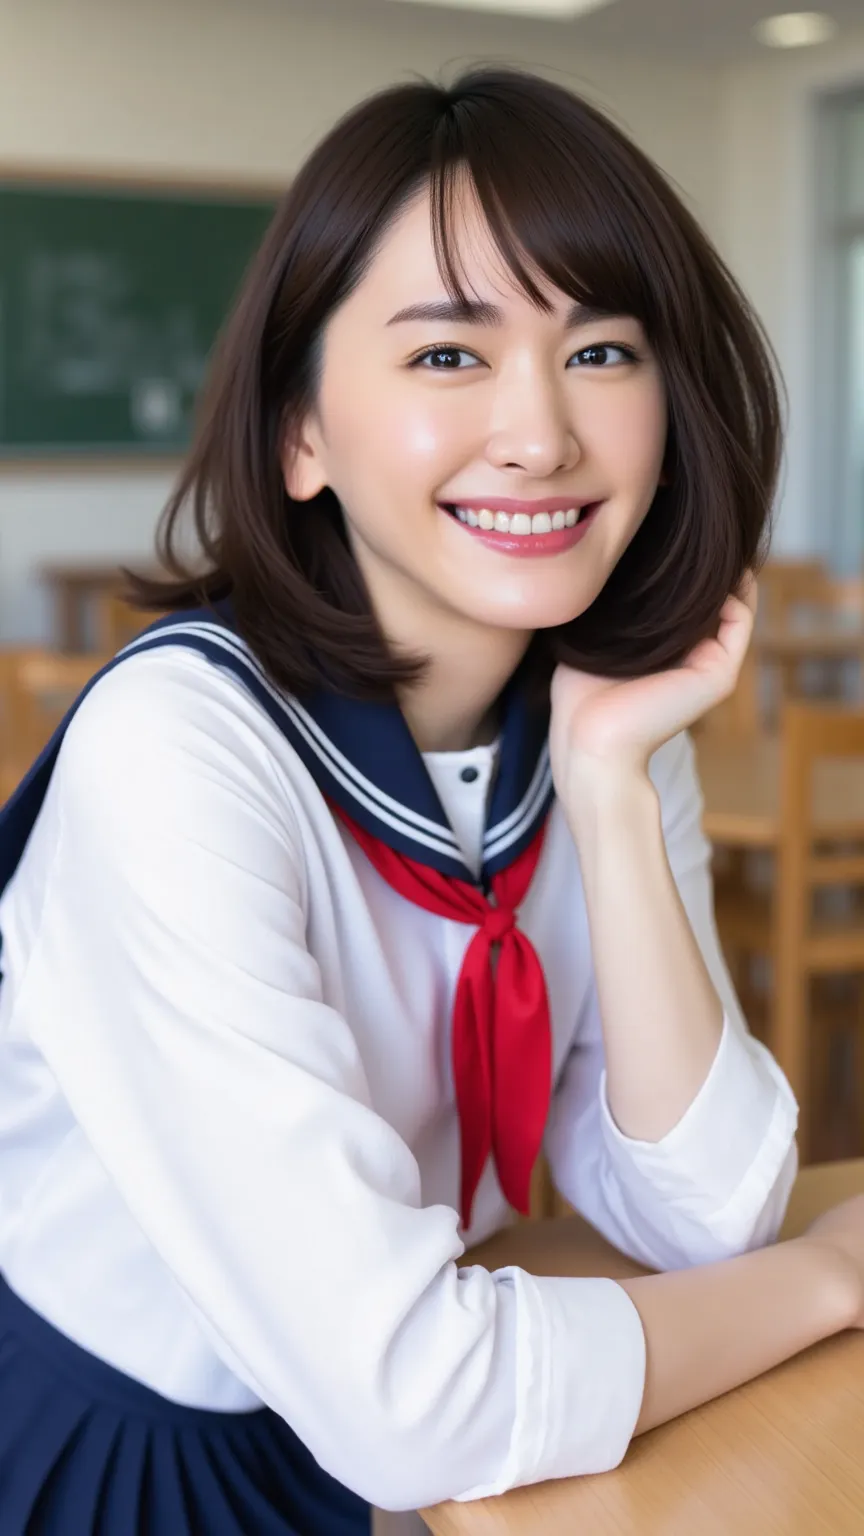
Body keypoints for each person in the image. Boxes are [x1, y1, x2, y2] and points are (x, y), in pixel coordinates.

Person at [0, 66, 862, 1536]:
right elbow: (418, 1403)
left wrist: (604, 785)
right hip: (123, 1462)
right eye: (451, 357)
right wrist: (833, 1275)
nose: (542, 434)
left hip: (383, 1450)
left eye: (602, 350)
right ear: (301, 437)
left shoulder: (598, 722)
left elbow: (696, 1211)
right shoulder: (181, 751)